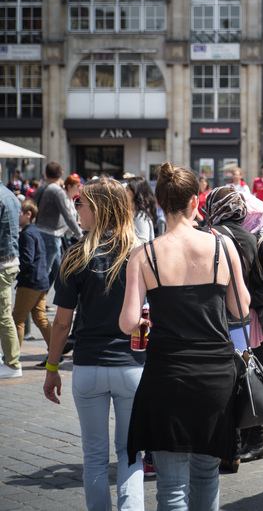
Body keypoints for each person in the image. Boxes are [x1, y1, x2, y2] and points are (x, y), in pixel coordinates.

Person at [122, 163, 249, 511]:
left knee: (171, 486)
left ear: (161, 202)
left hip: (167, 375)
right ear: (196, 201)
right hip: (215, 375)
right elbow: (241, 309)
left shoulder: (144, 254)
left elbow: (128, 321)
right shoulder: (222, 246)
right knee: (207, 475)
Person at [41, 179, 144, 509]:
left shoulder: (76, 254)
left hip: (88, 367)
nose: (76, 210)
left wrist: (52, 367)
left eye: (80, 203)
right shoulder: (140, 252)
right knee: (130, 456)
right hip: (131, 366)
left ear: (98, 209)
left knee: (95, 457)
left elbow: (61, 322)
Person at [205, 186, 263, 465]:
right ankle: (242, 441)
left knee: (258, 382)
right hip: (246, 320)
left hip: (260, 323)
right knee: (243, 381)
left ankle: (258, 442)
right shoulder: (243, 239)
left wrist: (246, 300)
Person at [36, 161, 82, 285]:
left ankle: (41, 299)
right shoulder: (57, 191)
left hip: (40, 231)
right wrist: (80, 234)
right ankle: (38, 302)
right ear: (61, 173)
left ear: (46, 174)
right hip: (51, 235)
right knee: (47, 270)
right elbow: (68, 215)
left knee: (55, 270)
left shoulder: (41, 188)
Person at [13, 200, 50, 356]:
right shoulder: (35, 231)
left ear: (28, 214)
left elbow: (27, 259)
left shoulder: (27, 234)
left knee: (17, 319)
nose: (17, 216)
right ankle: (57, 350)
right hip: (41, 281)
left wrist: (15, 268)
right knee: (40, 317)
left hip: (30, 283)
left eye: (19, 213)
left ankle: (12, 356)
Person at [0, 180, 21, 378]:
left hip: (3, 263)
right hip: (9, 260)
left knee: (4, 315)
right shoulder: (10, 195)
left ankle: (13, 363)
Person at [126, 178, 157, 245]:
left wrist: (124, 236)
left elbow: (143, 243)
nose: (124, 192)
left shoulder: (140, 216)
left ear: (135, 192)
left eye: (127, 189)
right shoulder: (135, 213)